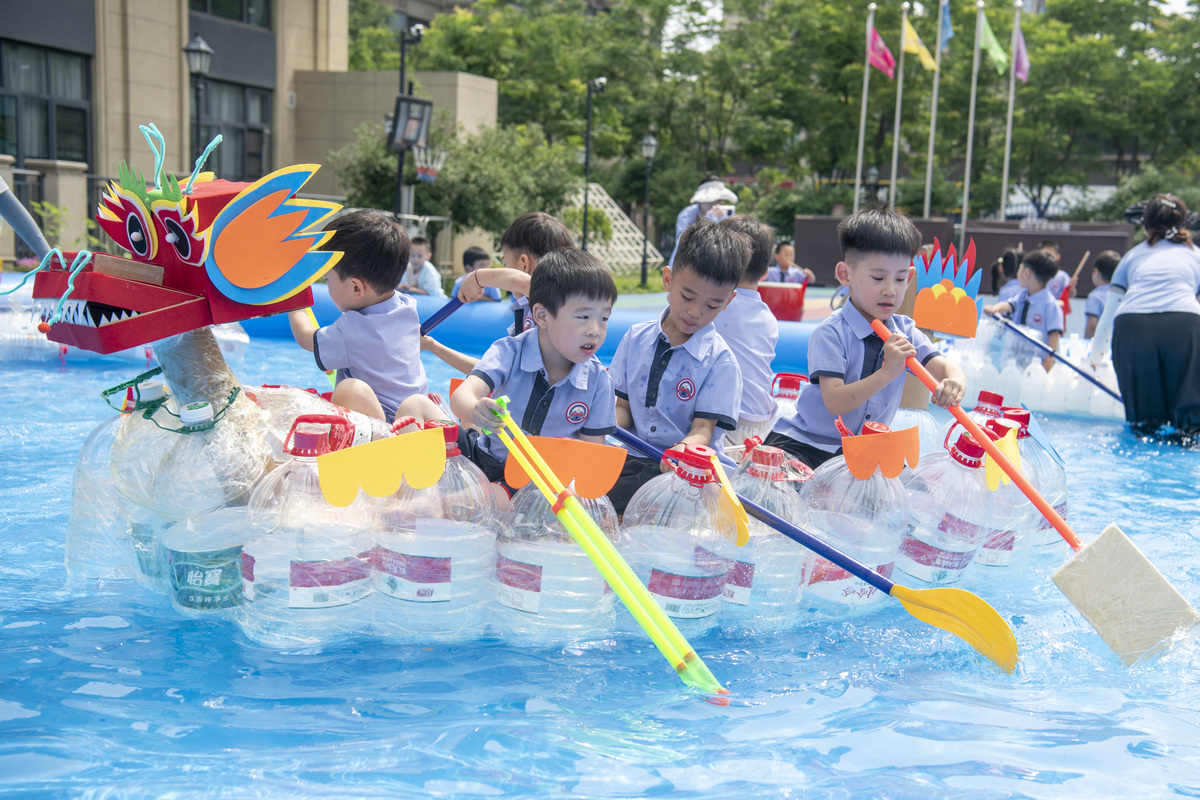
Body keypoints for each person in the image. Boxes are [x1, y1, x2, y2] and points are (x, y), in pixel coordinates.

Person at [762, 208, 965, 470]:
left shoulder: (905, 332)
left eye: (900, 278)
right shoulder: (831, 333)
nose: (890, 290)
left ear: (910, 277)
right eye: (878, 277)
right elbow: (834, 401)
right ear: (846, 275)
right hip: (808, 444)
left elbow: (945, 367)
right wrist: (887, 373)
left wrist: (955, 381)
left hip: (864, 448)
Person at [450, 248, 619, 505]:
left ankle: (437, 504)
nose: (595, 330)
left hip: (532, 484)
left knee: (486, 501)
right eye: (583, 317)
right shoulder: (510, 350)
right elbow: (462, 394)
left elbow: (590, 457)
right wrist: (475, 409)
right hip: (483, 455)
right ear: (541, 315)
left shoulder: (598, 382)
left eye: (604, 318)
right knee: (415, 407)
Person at [608, 218, 746, 514]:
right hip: (635, 458)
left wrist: (682, 450)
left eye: (713, 305)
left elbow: (703, 429)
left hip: (687, 470)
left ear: (729, 301)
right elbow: (623, 408)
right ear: (668, 279)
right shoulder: (635, 338)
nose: (696, 312)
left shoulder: (720, 361)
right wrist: (594, 427)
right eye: (687, 296)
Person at [288, 210, 444, 425]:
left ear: (355, 287)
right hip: (421, 416)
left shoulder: (354, 328)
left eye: (327, 280)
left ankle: (384, 444)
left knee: (348, 390)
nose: (327, 285)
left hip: (391, 426)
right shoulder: (406, 306)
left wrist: (293, 302)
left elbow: (306, 338)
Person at [1089, 193, 1200, 437]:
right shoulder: (1195, 255)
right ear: (1183, 223)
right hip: (1185, 323)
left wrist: (1094, 359)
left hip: (1133, 324)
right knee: (1190, 428)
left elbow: (1109, 314)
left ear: (1145, 223)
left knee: (1145, 427)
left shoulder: (1132, 256)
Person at [427, 212, 576, 374]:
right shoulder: (526, 310)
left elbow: (522, 281)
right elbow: (494, 373)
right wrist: (432, 346)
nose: (504, 269)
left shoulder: (556, 303)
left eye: (505, 263)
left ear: (524, 265)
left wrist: (477, 277)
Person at [714, 215, 780, 448]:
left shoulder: (716, 309)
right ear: (764, 274)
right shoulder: (767, 317)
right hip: (762, 423)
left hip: (726, 423)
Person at [982, 249, 1064, 372]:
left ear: (1026, 273)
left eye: (1019, 269)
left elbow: (1053, 344)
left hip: (1037, 366)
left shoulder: (1050, 305)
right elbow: (1009, 305)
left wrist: (1045, 370)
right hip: (1017, 361)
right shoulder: (1022, 295)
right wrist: (996, 308)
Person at [667, 175, 738, 268]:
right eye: (712, 199)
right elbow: (681, 241)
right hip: (683, 265)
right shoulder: (687, 214)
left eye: (719, 200)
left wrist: (720, 220)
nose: (716, 203)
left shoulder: (721, 216)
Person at [1083, 250, 1120, 339]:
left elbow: (1092, 325)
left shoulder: (1095, 297)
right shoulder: (1121, 294)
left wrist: (1087, 343)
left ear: (1097, 272)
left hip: (1100, 345)